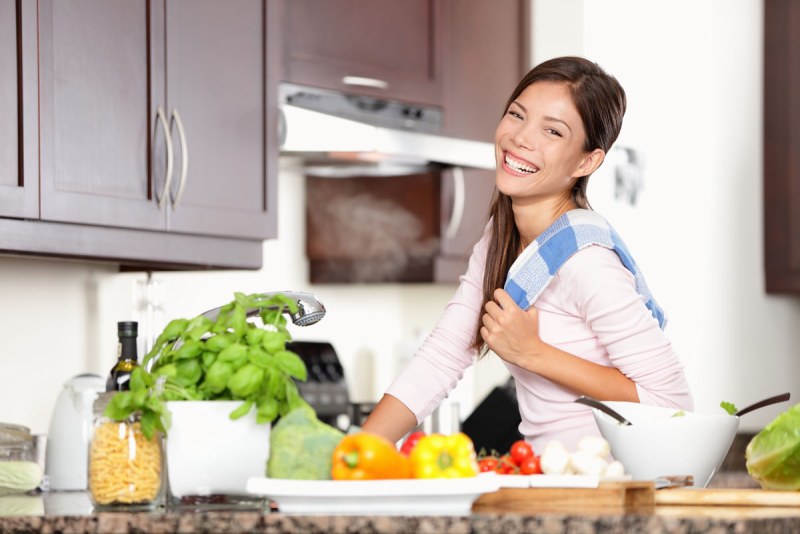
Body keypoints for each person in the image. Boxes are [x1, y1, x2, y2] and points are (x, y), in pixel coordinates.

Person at [361, 56, 693, 453]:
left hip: (610, 487)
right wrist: (357, 452)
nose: (521, 138)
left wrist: (534, 354)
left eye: (552, 131)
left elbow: (673, 406)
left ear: (587, 161)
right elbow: (443, 356)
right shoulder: (500, 237)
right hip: (550, 479)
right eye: (517, 115)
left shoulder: (586, 260)